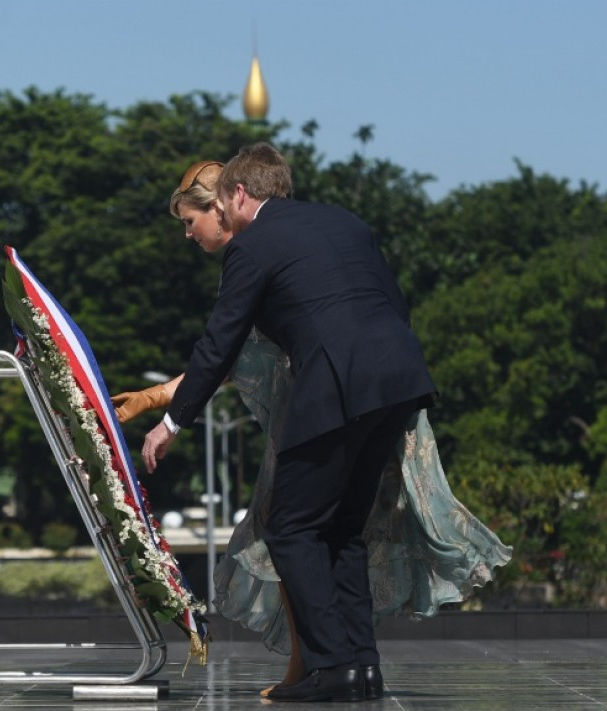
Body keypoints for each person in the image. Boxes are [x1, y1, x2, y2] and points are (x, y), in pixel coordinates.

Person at [115, 157, 509, 699]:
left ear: (237, 194)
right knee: (343, 531)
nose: (201, 227)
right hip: (399, 381)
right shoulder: (344, 221)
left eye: (204, 214)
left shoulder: (250, 248)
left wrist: (172, 423)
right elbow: (392, 303)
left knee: (292, 530)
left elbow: (221, 340)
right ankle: (361, 667)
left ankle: (331, 666)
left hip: (336, 390)